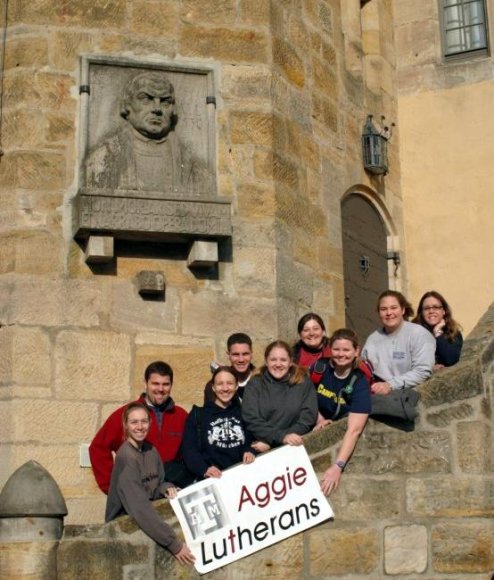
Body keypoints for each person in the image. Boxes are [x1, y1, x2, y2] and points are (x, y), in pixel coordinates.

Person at [86, 71, 209, 194]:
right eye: (146, 99)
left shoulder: (190, 164)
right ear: (127, 105)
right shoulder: (106, 155)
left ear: (173, 110)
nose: (157, 109)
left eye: (165, 102)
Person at [105, 402, 195, 566]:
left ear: (150, 423)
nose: (140, 427)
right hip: (124, 526)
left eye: (144, 421)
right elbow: (140, 508)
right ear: (125, 425)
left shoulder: (151, 450)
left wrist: (166, 487)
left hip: (144, 518)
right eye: (134, 422)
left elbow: (157, 484)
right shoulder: (126, 457)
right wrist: (174, 545)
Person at [89, 361, 192, 493]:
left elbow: (191, 453)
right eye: (155, 383)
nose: (160, 389)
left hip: (170, 491)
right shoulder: (126, 414)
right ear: (146, 383)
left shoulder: (181, 415)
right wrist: (111, 487)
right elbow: (98, 447)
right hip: (135, 491)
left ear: (171, 385)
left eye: (165, 384)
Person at [310, 329, 371, 496]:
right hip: (312, 424)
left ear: (356, 351)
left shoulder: (359, 382)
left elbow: (354, 430)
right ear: (330, 349)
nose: (341, 354)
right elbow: (303, 397)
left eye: (346, 350)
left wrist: (338, 466)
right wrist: (319, 418)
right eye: (336, 349)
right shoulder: (319, 369)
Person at [242, 341, 318, 452]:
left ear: (291, 362)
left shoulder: (303, 383)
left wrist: (278, 441)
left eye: (283, 360)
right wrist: (280, 438)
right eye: (273, 360)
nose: (278, 364)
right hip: (261, 450)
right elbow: (251, 419)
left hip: (293, 446)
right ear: (266, 361)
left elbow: (307, 419)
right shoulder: (255, 384)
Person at [183, 366, 256, 480]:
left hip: (242, 478)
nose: (225, 388)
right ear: (213, 387)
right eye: (220, 384)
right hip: (213, 480)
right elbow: (189, 450)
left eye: (230, 383)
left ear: (236, 386)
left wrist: (250, 451)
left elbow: (250, 441)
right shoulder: (198, 415)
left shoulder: (243, 413)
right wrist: (204, 469)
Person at [362, 290, 436, 395]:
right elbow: (365, 370)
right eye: (383, 309)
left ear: (403, 310)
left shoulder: (419, 334)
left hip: (411, 396)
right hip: (378, 396)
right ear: (379, 313)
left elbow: (422, 371)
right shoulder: (372, 339)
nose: (389, 313)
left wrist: (390, 385)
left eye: (394, 308)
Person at [412, 290, 463, 369]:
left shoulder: (453, 332)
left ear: (443, 311)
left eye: (436, 307)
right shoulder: (413, 333)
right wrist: (429, 368)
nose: (431, 311)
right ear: (421, 313)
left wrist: (438, 333)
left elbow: (451, 360)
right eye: (426, 308)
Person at [204, 333, 255, 402]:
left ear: (251, 354)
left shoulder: (264, 382)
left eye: (245, 354)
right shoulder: (214, 386)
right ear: (228, 355)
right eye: (236, 354)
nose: (241, 360)